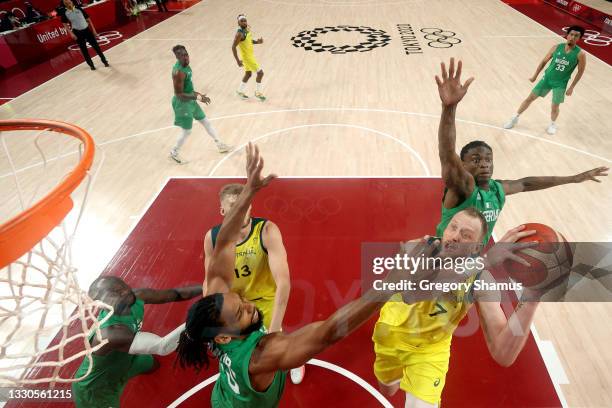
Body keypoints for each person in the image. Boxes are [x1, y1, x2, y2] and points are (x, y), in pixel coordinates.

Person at [177, 143, 440, 407]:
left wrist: (249, 191)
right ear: (224, 337)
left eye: (239, 300)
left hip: (223, 398)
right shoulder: (262, 355)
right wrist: (395, 280)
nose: (248, 304)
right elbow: (328, 332)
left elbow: (223, 244)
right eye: (241, 312)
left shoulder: (216, 313)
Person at [372, 208, 548, 408]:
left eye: (466, 235)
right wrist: (487, 260)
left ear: (475, 248)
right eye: (453, 227)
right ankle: (394, 377)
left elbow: (503, 353)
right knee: (388, 388)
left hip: (430, 351)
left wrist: (533, 297)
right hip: (389, 335)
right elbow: (413, 294)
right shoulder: (418, 248)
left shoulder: (481, 280)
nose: (455, 236)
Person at [434, 57, 608, 243]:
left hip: (471, 261)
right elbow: (447, 153)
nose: (484, 164)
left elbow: (526, 183)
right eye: (476, 160)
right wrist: (449, 108)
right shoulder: (464, 187)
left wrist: (574, 178)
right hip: (445, 259)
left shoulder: (496, 190)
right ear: (463, 165)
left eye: (488, 159)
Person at [203, 183, 305, 384]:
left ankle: (297, 361)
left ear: (251, 205)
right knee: (242, 348)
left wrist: (274, 329)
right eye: (233, 205)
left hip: (264, 299)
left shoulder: (266, 231)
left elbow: (283, 282)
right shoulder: (213, 238)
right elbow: (209, 279)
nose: (240, 209)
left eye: (244, 203)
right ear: (223, 210)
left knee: (277, 345)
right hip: (235, 303)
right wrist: (211, 316)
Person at [72, 276, 201, 408]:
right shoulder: (111, 333)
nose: (123, 292)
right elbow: (162, 347)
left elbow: (175, 294)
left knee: (154, 365)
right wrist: (200, 316)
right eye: (114, 294)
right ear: (104, 305)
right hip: (97, 389)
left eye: (121, 287)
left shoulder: (137, 295)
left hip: (127, 360)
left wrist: (205, 289)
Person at [503, 26, 587, 135]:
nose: (572, 37)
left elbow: (580, 71)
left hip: (560, 83)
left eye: (576, 36)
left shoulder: (581, 54)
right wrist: (535, 76)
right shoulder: (556, 47)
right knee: (530, 98)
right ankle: (515, 117)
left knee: (555, 106)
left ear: (579, 38)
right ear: (567, 35)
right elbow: (543, 62)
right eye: (571, 34)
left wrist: (571, 87)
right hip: (547, 79)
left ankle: (552, 124)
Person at [170, 45, 231, 164]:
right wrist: (197, 97)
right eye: (182, 55)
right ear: (177, 57)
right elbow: (179, 94)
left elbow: (188, 89)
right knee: (187, 131)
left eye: (186, 54)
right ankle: (174, 152)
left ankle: (219, 144)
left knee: (205, 121)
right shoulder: (179, 73)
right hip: (182, 104)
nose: (186, 57)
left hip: (190, 100)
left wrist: (200, 96)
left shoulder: (187, 67)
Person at [58, 0, 109, 70]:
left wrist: (93, 30)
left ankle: (104, 61)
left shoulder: (79, 8)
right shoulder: (65, 13)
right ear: (64, 4)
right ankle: (91, 65)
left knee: (96, 46)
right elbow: (64, 23)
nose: (68, 4)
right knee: (84, 50)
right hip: (77, 32)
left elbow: (88, 19)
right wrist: (71, 33)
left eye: (69, 2)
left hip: (87, 30)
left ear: (72, 2)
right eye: (66, 3)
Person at [232, 14, 266, 101]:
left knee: (248, 74)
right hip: (247, 57)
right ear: (238, 23)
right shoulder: (239, 34)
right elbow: (233, 47)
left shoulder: (246, 30)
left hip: (250, 55)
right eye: (242, 21)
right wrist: (237, 61)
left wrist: (257, 42)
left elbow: (249, 41)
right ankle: (257, 93)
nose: (244, 22)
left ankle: (240, 91)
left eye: (245, 20)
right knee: (260, 73)